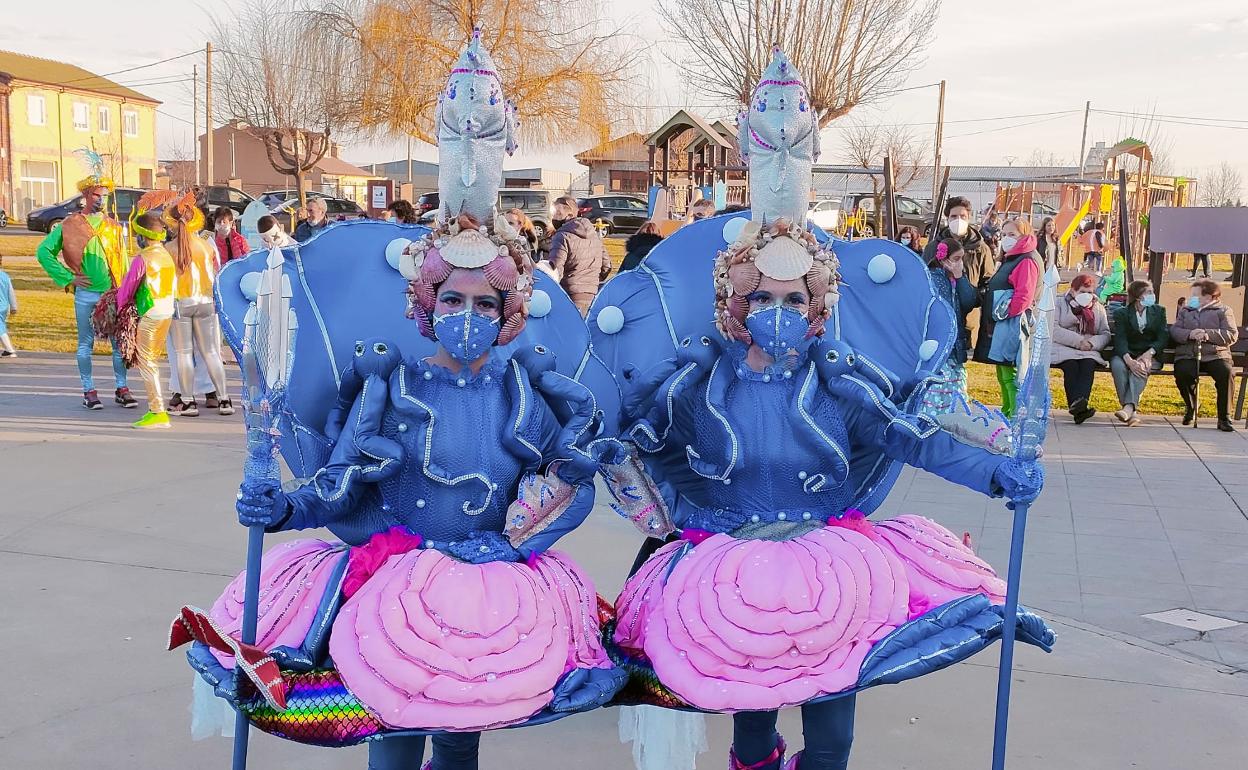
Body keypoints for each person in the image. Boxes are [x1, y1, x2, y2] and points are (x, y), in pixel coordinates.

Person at [171, 34, 625, 770]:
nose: (468, 317)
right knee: (394, 734)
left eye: (486, 303)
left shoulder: (527, 391)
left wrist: (517, 538)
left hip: (486, 595)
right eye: (453, 299)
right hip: (396, 586)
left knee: (459, 742)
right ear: (425, 302)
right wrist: (284, 508)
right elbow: (342, 481)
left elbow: (564, 491)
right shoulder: (393, 387)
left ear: (512, 309)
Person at [607, 50, 1049, 770]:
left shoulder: (840, 383)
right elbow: (641, 448)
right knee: (751, 733)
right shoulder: (701, 383)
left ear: (816, 307)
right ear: (735, 302)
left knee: (835, 736)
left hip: (834, 573)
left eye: (793, 299)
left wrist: (997, 476)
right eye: (762, 298)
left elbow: (914, 438)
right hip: (731, 575)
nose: (777, 312)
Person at [35, 166, 135, 409]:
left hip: (112, 294)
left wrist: (124, 290)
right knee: (85, 343)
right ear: (86, 196)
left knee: (117, 343)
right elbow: (44, 252)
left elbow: (122, 259)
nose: (101, 200)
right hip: (86, 295)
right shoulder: (70, 224)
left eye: (104, 195)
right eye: (96, 195)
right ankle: (88, 389)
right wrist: (68, 278)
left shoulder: (113, 226)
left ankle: (122, 387)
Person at [165, 192, 234, 417]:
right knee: (211, 351)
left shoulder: (169, 249)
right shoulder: (206, 246)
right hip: (205, 302)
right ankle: (224, 398)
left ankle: (188, 401)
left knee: (183, 353)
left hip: (181, 304)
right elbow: (216, 272)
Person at [973, 218, 1043, 417]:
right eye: (1004, 234)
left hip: (1011, 323)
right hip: (1002, 323)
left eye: (1012, 235)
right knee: (1003, 372)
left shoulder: (1027, 260)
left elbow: (1024, 295)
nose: (1006, 239)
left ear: (1024, 235)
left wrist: (1004, 313)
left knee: (1011, 373)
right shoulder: (1012, 258)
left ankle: (1014, 414)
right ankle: (1007, 410)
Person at [115, 211, 177, 429]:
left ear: (142, 236)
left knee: (147, 362)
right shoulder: (166, 255)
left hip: (150, 314)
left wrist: (118, 305)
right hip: (166, 312)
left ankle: (157, 411)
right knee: (152, 361)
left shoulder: (143, 258)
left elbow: (127, 289)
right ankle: (156, 409)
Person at [1171, 279, 1239, 431]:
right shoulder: (1186, 311)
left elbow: (1231, 334)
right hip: (1189, 354)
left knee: (1226, 373)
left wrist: (1207, 334)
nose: (1192, 298)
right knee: (1183, 372)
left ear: (1209, 297)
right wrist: (1190, 334)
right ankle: (1192, 406)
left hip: (1215, 354)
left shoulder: (1223, 311)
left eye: (1195, 295)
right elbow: (1175, 331)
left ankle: (1224, 417)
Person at [919, 237, 977, 415]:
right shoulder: (936, 279)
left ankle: (952, 418)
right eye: (957, 259)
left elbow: (969, 301)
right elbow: (943, 313)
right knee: (940, 390)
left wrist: (960, 278)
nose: (960, 263)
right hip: (942, 347)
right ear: (944, 259)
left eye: (962, 259)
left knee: (955, 388)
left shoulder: (955, 278)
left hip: (954, 345)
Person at [1051, 273, 1110, 424]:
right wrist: (1078, 341)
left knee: (1088, 365)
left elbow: (1105, 333)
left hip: (1088, 350)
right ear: (1073, 291)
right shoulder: (1059, 303)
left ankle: (1078, 407)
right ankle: (1078, 407)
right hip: (1063, 347)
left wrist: (1092, 343)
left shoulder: (1098, 307)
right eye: (1082, 292)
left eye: (1090, 292)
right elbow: (1054, 329)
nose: (1087, 295)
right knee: (1071, 365)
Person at [1110, 279, 1168, 426]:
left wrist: (1149, 354)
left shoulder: (1159, 311)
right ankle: (1132, 411)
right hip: (1126, 353)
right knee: (1118, 366)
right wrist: (1129, 360)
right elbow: (1120, 339)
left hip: (1150, 354)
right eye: (1148, 292)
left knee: (1141, 366)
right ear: (1138, 296)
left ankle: (1128, 408)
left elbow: (1163, 337)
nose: (1152, 295)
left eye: (1152, 292)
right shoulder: (1121, 313)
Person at [547, 194, 612, 315]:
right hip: (592, 294)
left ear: (570, 215)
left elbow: (555, 271)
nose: (554, 217)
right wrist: (590, 281)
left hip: (569, 294)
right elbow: (606, 266)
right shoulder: (595, 237)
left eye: (558, 213)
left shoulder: (562, 236)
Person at [922, 196, 995, 291]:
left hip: (970, 304)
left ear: (969, 218)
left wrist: (976, 298)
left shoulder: (980, 248)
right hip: (941, 303)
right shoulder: (933, 247)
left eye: (962, 216)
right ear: (947, 218)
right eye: (954, 216)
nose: (958, 220)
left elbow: (988, 281)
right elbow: (923, 276)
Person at [0, 253, 16, 357]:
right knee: (1, 326)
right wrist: (14, 306)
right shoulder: (5, 276)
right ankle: (7, 349)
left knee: (0, 327)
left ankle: (10, 349)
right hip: (4, 306)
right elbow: (11, 292)